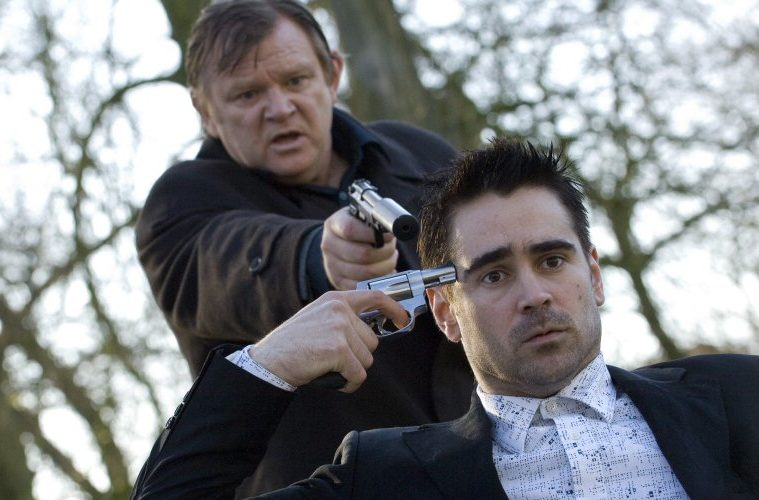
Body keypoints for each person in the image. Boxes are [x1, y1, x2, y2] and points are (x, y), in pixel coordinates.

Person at [131, 137, 759, 499]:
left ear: (593, 275)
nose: (534, 294)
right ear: (444, 311)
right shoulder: (385, 478)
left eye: (552, 260)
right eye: (493, 274)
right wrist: (266, 365)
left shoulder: (737, 397)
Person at [135, 0, 473, 494]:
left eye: (295, 80)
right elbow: (228, 264)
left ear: (332, 74)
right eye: (247, 94)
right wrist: (318, 257)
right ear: (205, 110)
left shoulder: (418, 153)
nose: (279, 108)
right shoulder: (181, 200)